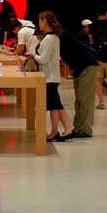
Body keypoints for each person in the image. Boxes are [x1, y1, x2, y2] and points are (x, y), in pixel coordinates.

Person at [59, 16, 102, 139]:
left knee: (85, 99)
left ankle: (86, 129)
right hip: (79, 66)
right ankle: (78, 127)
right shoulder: (61, 36)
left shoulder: (61, 36)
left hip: (87, 65)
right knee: (79, 99)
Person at [30, 11, 71, 142]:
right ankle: (55, 130)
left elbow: (43, 59)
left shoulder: (49, 39)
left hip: (50, 77)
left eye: (39, 21)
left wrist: (32, 54)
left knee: (56, 105)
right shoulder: (52, 37)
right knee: (54, 105)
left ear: (44, 21)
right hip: (50, 76)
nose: (39, 24)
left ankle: (66, 129)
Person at [89, 6, 107, 108]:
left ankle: (101, 102)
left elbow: (91, 39)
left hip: (97, 55)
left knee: (98, 79)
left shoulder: (93, 26)